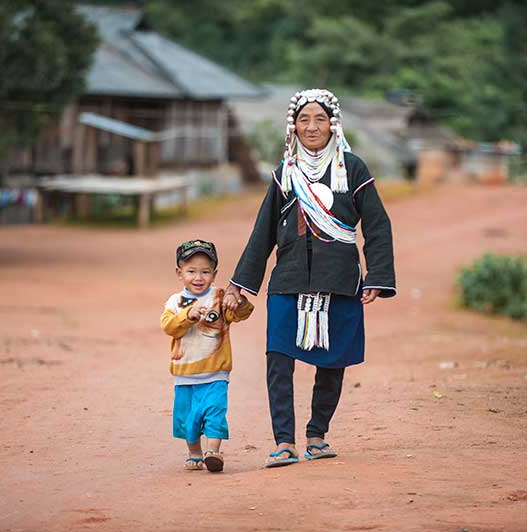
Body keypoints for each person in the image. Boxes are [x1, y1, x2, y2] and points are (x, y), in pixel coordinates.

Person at [222, 89, 396, 468]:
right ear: (294, 126)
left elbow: (377, 225)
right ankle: (284, 442)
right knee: (278, 360)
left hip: (340, 281)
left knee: (333, 363)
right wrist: (240, 282)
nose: (312, 126)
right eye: (304, 119)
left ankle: (317, 436)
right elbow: (263, 231)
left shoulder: (353, 169)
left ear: (333, 124)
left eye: (320, 119)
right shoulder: (285, 172)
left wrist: (377, 276)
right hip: (288, 281)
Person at [160, 239, 254, 472]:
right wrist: (187, 315)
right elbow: (168, 327)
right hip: (185, 375)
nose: (198, 277)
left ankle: (213, 451)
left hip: (216, 373)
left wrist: (238, 300)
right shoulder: (175, 302)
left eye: (205, 272)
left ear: (214, 274)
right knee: (188, 419)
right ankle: (194, 452)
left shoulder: (219, 298)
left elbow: (241, 314)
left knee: (215, 412)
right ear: (179, 273)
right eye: (191, 271)